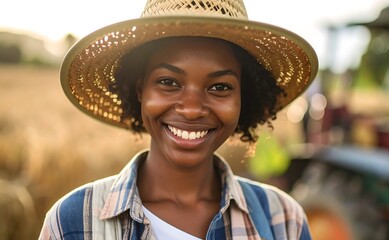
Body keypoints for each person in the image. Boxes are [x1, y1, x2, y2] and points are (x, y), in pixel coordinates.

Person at [39, 0, 318, 239]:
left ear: (244, 96)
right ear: (140, 90)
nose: (192, 109)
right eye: (169, 82)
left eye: (220, 87)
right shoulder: (73, 223)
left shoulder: (283, 220)